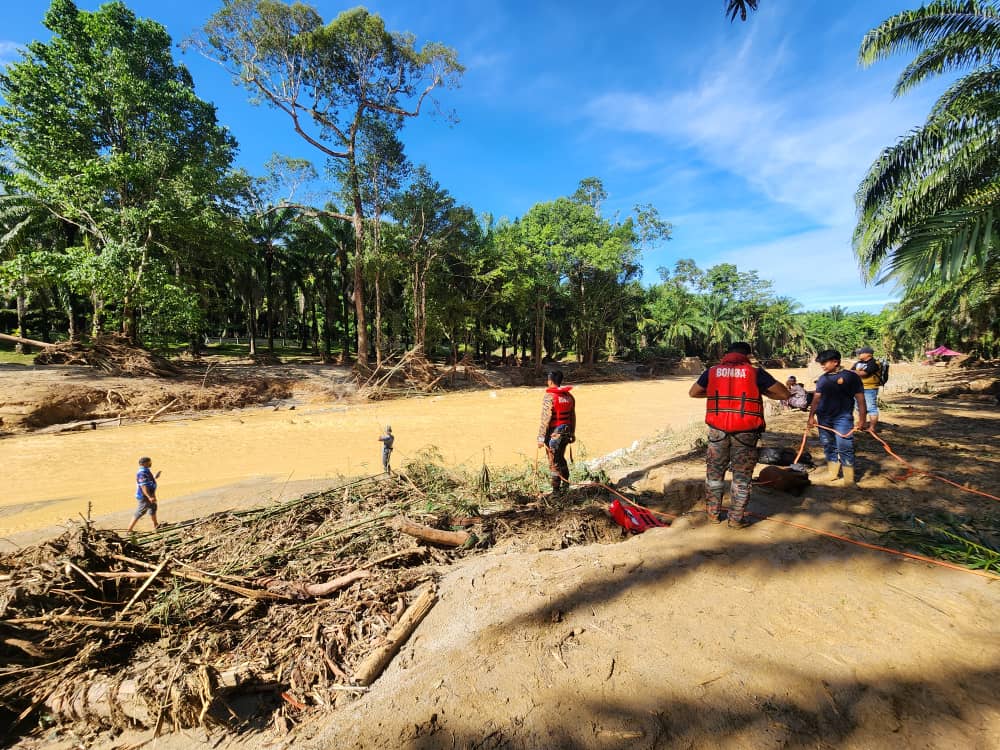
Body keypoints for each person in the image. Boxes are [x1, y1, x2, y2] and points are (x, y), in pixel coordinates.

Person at [688, 342, 790, 528]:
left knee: (714, 475)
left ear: (726, 354)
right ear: (748, 355)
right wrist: (762, 391)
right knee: (742, 478)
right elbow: (784, 394)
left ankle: (713, 515)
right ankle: (735, 520)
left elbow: (693, 393)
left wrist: (714, 394)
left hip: (717, 432)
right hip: (746, 434)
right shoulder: (756, 373)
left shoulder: (712, 372)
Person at [808, 349, 867, 487]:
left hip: (843, 418)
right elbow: (816, 399)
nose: (822, 365)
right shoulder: (823, 379)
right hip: (823, 418)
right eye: (821, 363)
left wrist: (862, 418)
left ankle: (849, 479)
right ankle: (832, 473)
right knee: (828, 445)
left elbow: (860, 398)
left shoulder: (851, 377)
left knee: (845, 446)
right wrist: (811, 417)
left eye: (824, 362)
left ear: (835, 362)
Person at [537, 369, 576, 494]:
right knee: (561, 458)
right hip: (566, 432)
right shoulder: (569, 396)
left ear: (550, 381)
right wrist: (573, 433)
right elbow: (572, 416)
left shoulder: (549, 397)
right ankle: (566, 484)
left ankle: (556, 491)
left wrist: (541, 438)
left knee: (553, 462)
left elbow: (545, 419)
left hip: (554, 434)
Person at [851, 346, 882, 433]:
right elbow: (852, 372)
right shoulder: (857, 363)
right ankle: (862, 424)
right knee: (858, 407)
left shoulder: (874, 363)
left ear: (868, 354)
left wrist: (852, 372)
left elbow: (864, 373)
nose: (859, 354)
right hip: (857, 388)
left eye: (861, 353)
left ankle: (872, 428)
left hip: (869, 388)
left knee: (871, 407)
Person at [126, 456, 161, 532]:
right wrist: (149, 497)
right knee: (140, 512)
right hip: (144, 496)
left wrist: (155, 477)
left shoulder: (146, 471)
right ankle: (129, 530)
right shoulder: (142, 473)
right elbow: (143, 486)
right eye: (149, 462)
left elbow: (147, 481)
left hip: (150, 495)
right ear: (144, 463)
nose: (150, 463)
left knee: (153, 509)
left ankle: (156, 524)